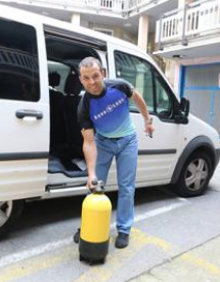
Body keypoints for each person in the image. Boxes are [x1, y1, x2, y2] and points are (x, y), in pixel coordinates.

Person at [75, 57, 154, 248]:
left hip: (128, 140)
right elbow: (88, 141)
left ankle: (124, 229)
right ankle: (87, 225)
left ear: (103, 73)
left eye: (95, 76)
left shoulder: (119, 86)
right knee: (94, 185)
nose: (92, 82)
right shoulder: (84, 106)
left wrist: (147, 121)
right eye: (86, 78)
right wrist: (91, 173)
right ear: (81, 80)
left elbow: (138, 98)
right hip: (103, 142)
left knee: (126, 187)